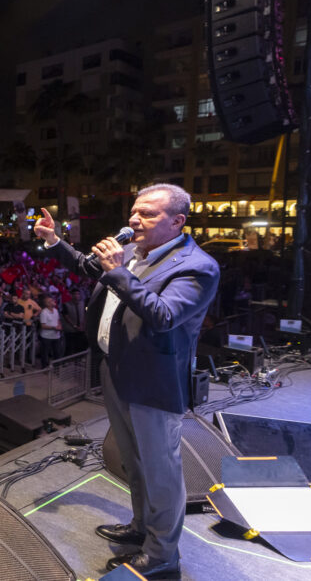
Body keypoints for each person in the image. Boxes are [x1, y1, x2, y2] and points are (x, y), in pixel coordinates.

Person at [35, 183, 218, 577]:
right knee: (134, 463)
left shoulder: (197, 266)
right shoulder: (137, 251)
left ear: (177, 222)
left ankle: (163, 555)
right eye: (134, 211)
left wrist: (118, 270)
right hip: (116, 369)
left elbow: (164, 315)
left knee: (160, 471)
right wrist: (54, 241)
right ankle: (141, 529)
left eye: (148, 214)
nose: (135, 219)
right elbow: (89, 266)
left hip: (152, 382)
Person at [37, 295, 63, 368]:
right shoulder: (44, 312)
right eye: (51, 301)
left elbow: (58, 320)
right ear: (47, 304)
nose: (53, 301)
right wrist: (54, 327)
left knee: (57, 353)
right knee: (45, 353)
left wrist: (59, 326)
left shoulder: (56, 310)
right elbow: (43, 325)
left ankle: (57, 368)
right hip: (46, 336)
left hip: (56, 336)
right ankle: (44, 367)